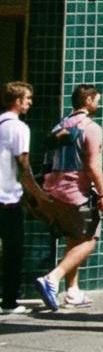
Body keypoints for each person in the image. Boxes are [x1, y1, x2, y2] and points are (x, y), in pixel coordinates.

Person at [31, 84, 103, 313]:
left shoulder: (60, 126)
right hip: (76, 192)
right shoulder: (91, 128)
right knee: (90, 240)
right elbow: (92, 165)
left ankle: (73, 291)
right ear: (88, 100)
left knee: (74, 238)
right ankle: (52, 278)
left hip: (53, 190)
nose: (98, 104)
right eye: (97, 100)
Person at [0, 81, 28, 315]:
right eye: (27, 99)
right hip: (8, 197)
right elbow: (23, 162)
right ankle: (9, 301)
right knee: (13, 249)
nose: (30, 103)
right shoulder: (18, 128)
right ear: (17, 101)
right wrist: (34, 191)